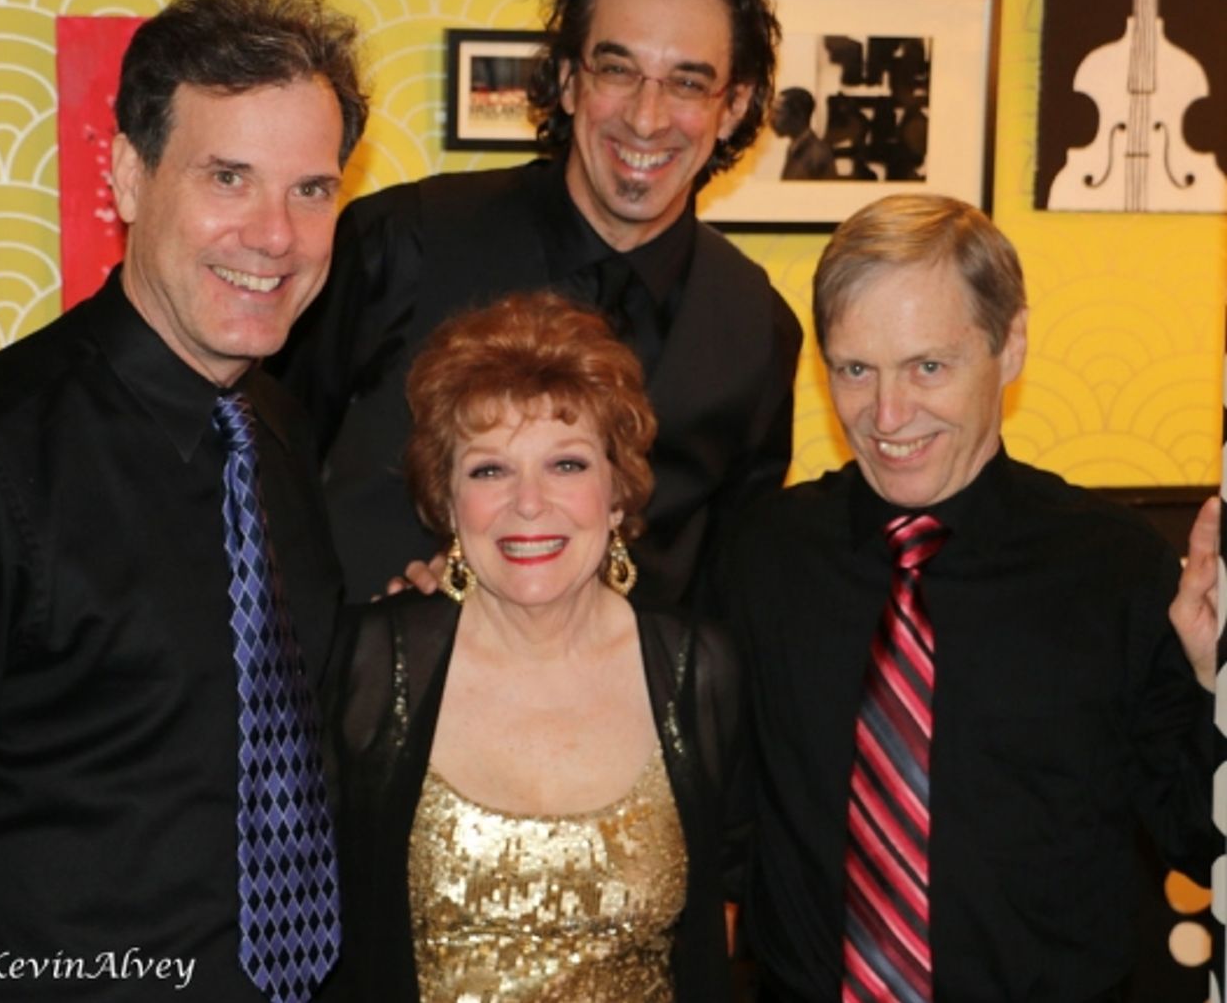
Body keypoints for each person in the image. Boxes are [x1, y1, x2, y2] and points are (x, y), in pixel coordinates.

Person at [0, 0, 369, 1001]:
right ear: (127, 175)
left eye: (310, 189)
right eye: (228, 178)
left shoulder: (284, 436)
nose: (275, 235)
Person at [723, 193, 1218, 1002]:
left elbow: (1204, 842)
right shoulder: (764, 556)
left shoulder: (1116, 570)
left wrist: (1214, 681)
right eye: (855, 369)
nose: (887, 416)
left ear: (1010, 345)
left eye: (928, 367)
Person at [270, 0, 803, 606]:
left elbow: (731, 592)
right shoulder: (401, 241)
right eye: (617, 70)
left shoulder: (758, 330)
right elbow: (260, 474)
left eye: (688, 83)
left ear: (734, 107)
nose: (646, 118)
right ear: (569, 80)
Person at [321, 291, 747, 1002]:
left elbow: (729, 911)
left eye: (567, 465)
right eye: (490, 470)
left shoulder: (697, 671)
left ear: (617, 493)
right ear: (448, 501)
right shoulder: (367, 667)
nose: (528, 503)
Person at [771, 87, 837, 181]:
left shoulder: (817, 155)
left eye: (778, 112)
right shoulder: (795, 148)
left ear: (799, 116)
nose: (771, 119)